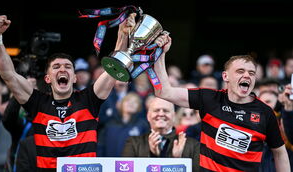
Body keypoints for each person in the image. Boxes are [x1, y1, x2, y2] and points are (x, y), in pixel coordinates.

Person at [0, 13, 136, 171]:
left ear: (74, 78)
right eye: (56, 67)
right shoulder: (37, 102)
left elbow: (113, 68)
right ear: (47, 78)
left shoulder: (88, 99)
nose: (62, 69)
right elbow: (8, 74)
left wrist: (123, 34)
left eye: (67, 67)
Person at [152, 34, 290, 171]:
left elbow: (280, 152)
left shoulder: (265, 112)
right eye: (240, 71)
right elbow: (163, 91)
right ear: (225, 76)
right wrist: (160, 53)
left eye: (251, 73)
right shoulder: (209, 98)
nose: (247, 75)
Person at [122, 96, 200, 171]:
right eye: (156, 110)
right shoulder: (133, 143)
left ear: (174, 116)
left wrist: (178, 161)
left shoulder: (193, 145)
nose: (161, 114)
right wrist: (152, 155)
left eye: (166, 110)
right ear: (148, 116)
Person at [97, 92, 149, 157]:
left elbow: (145, 149)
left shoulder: (143, 125)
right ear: (121, 104)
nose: (131, 103)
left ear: (139, 107)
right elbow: (100, 146)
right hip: (109, 164)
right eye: (128, 100)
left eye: (135, 102)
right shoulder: (109, 124)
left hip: (134, 165)